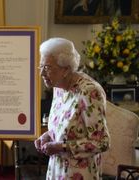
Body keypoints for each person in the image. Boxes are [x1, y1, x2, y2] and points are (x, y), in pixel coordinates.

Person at [34, 37, 110, 179]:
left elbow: (102, 142)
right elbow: (63, 126)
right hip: (57, 168)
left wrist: (61, 147)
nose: (42, 73)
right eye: (41, 66)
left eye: (47, 67)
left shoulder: (89, 92)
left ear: (66, 70)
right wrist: (47, 136)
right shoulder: (59, 86)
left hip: (79, 173)